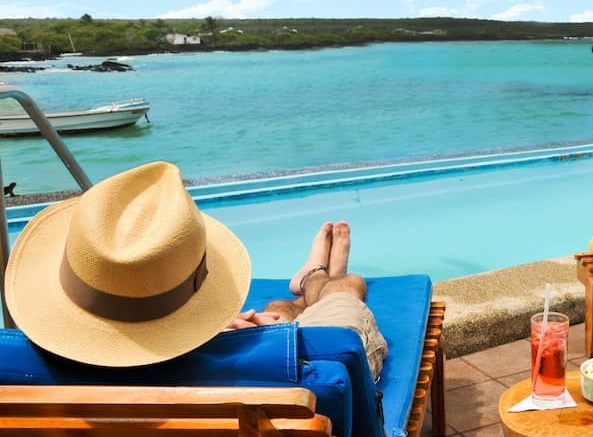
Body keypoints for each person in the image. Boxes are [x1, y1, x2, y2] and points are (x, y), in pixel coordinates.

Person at [4, 161, 386, 378]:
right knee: (344, 293)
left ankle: (308, 286)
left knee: (278, 312)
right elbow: (335, 367)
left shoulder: (20, 372)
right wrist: (248, 343)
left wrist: (211, 334)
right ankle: (320, 278)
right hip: (301, 370)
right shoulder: (268, 369)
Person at [227, 219, 387, 378]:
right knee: (348, 284)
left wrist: (227, 331)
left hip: (268, 352)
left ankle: (321, 279)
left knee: (280, 307)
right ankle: (318, 276)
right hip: (322, 361)